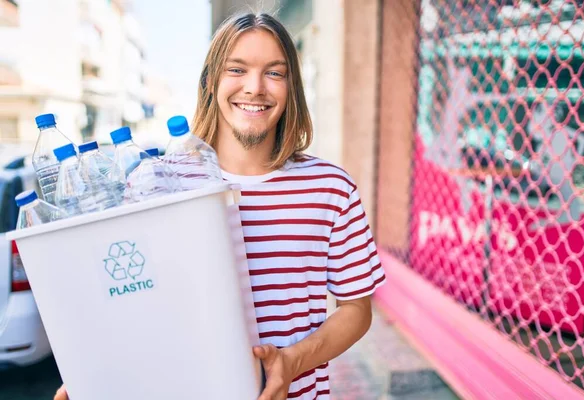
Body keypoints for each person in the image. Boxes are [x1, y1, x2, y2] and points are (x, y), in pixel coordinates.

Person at [55, 12, 385, 400]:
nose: (255, 87)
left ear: (292, 86)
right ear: (211, 82)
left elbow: (356, 311)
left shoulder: (331, 188)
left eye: (275, 73)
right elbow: (132, 302)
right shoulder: (156, 183)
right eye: (237, 69)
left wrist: (292, 361)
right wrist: (95, 372)